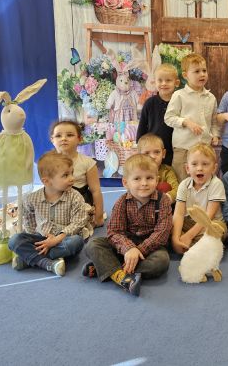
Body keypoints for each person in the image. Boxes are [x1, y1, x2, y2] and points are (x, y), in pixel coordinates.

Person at [83, 154, 172, 297]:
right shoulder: (122, 202)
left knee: (161, 261)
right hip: (125, 244)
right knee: (93, 244)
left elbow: (162, 233)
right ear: (125, 182)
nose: (144, 183)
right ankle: (121, 276)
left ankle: (106, 267)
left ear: (157, 180)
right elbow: (114, 232)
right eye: (137, 179)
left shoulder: (163, 201)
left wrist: (138, 251)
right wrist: (129, 249)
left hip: (150, 247)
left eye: (149, 178)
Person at [8, 152, 88, 276]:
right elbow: (28, 218)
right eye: (65, 175)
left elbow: (78, 223)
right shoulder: (32, 199)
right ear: (47, 181)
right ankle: (48, 263)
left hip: (64, 239)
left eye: (72, 173)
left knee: (77, 242)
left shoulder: (75, 197)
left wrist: (56, 240)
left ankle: (30, 259)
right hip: (41, 240)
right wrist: (35, 238)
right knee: (14, 240)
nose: (72, 178)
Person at [164, 53, 219, 181]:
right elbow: (169, 118)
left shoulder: (211, 98)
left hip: (204, 148)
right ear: (185, 75)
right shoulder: (179, 95)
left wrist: (215, 134)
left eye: (204, 70)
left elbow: (214, 120)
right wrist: (186, 122)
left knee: (203, 181)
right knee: (182, 181)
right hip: (184, 149)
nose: (202, 74)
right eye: (197, 71)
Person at [171, 143, 227, 254]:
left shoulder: (216, 184)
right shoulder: (184, 185)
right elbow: (179, 214)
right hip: (189, 222)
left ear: (214, 168)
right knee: (170, 227)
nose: (200, 168)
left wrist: (188, 236)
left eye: (205, 164)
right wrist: (175, 239)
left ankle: (195, 245)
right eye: (194, 164)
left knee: (218, 230)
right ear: (187, 168)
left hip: (210, 222)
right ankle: (192, 245)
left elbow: (208, 215)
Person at [50, 120, 104, 226]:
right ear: (52, 140)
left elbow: (96, 191)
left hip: (80, 204)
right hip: (56, 203)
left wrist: (99, 217)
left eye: (69, 135)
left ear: (79, 139)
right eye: (58, 136)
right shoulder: (48, 162)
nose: (64, 138)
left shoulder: (87, 162)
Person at [136, 63, 179, 166]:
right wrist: (139, 144)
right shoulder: (150, 103)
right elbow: (142, 125)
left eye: (168, 80)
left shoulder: (179, 102)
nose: (164, 83)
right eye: (160, 80)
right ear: (155, 82)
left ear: (176, 83)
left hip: (175, 148)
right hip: (153, 150)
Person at [137, 133, 179, 200]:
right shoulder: (136, 171)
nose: (152, 156)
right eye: (147, 153)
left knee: (164, 186)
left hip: (162, 203)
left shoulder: (167, 171)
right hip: (142, 202)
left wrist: (165, 199)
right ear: (140, 156)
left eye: (157, 152)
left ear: (163, 154)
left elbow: (177, 189)